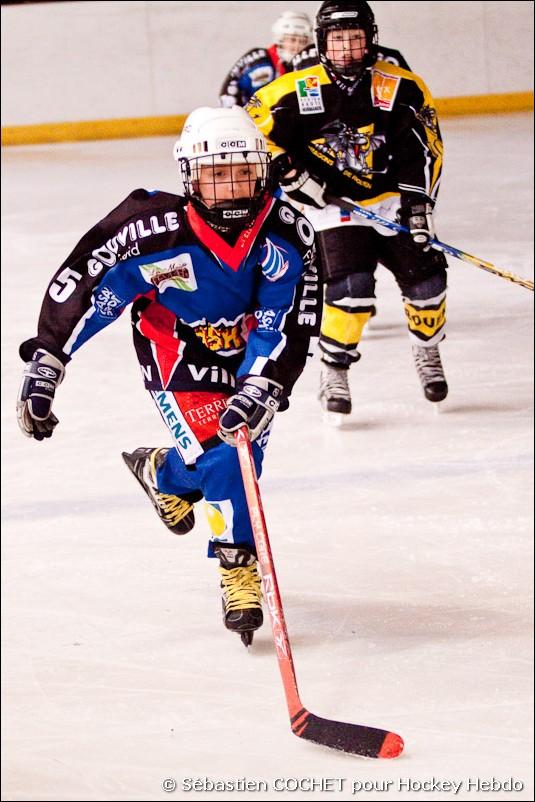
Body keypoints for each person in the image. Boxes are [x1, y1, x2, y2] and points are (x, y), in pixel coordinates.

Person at [16, 106, 320, 646]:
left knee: (232, 459)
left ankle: (163, 476)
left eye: (241, 172)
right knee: (229, 458)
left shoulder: (288, 235)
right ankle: (236, 569)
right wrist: (50, 361)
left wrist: (262, 384)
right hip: (175, 354)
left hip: (249, 355)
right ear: (190, 177)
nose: (229, 188)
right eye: (215, 174)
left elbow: (288, 321)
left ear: (262, 171)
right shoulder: (148, 230)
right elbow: (89, 287)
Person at [246, 0, 448, 418]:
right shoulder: (295, 91)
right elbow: (249, 128)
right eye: (338, 41)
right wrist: (287, 172)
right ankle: (334, 369)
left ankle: (428, 351)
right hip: (331, 209)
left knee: (428, 282)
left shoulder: (401, 87)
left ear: (371, 41)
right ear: (322, 43)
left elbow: (424, 149)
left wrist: (416, 204)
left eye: (356, 40)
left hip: (390, 203)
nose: (348, 51)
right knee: (351, 289)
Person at [219, 10, 313, 109]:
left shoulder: (312, 64)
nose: (296, 46)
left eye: (303, 41)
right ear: (280, 38)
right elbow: (228, 93)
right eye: (292, 40)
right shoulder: (257, 60)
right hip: (250, 121)